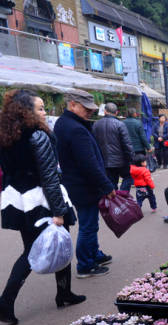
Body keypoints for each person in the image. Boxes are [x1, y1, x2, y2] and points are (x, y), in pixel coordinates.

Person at [0, 89, 85, 324]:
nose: (44, 112)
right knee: (59, 242)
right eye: (40, 108)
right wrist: (59, 211)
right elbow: (48, 175)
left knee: (31, 248)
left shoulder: (8, 134)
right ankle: (6, 301)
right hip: (43, 198)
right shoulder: (37, 135)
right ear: (26, 112)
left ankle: (63, 292)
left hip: (19, 199)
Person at [54, 89, 115, 279]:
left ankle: (94, 254)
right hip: (83, 185)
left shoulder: (64, 123)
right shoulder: (75, 129)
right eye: (86, 108)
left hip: (76, 183)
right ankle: (85, 264)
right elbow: (88, 164)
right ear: (72, 104)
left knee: (91, 224)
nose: (90, 112)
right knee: (88, 225)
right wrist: (106, 186)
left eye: (91, 109)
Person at [93, 103, 135, 192]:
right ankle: (122, 194)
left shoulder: (96, 124)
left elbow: (93, 143)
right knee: (128, 176)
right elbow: (127, 143)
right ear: (116, 112)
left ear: (105, 111)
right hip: (120, 161)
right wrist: (131, 158)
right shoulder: (120, 124)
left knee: (112, 183)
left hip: (103, 160)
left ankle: (115, 200)